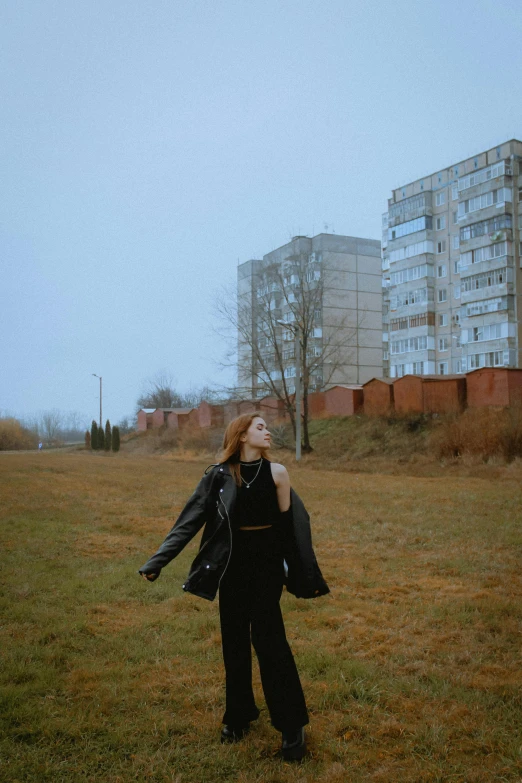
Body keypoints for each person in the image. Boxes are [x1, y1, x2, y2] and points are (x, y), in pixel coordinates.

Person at [139, 412, 329, 761]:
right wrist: (157, 561)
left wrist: (297, 572)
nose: (267, 431)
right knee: (234, 644)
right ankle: (239, 715)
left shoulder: (278, 474)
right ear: (242, 435)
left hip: (267, 569)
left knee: (270, 641)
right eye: (260, 427)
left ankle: (291, 726)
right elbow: (188, 522)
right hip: (231, 569)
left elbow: (290, 528)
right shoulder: (218, 476)